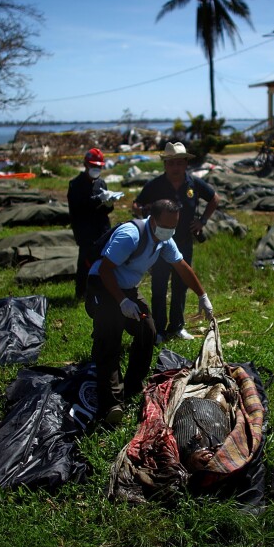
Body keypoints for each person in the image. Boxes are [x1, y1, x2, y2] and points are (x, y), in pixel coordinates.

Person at [85, 198, 215, 425]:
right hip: (104, 286)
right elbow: (105, 270)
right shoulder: (130, 235)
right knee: (110, 338)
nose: (170, 231)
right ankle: (111, 404)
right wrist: (122, 302)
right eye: (166, 226)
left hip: (127, 288)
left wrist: (202, 296)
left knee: (148, 329)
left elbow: (182, 268)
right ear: (153, 221)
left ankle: (134, 385)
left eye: (174, 226)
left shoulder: (165, 240)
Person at [133, 142, 219, 342]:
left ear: (186, 163)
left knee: (181, 285)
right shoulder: (155, 184)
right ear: (165, 164)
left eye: (179, 163)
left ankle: (177, 327)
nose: (175, 167)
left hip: (184, 241)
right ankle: (159, 329)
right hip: (160, 244)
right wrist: (144, 217)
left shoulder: (194, 183)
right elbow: (137, 204)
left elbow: (215, 198)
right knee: (159, 286)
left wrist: (202, 221)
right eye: (171, 163)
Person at [67, 148, 114, 300]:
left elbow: (106, 210)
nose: (96, 169)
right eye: (93, 166)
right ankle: (81, 292)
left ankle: (100, 291)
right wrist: (98, 201)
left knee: (103, 260)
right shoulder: (75, 185)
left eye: (99, 166)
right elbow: (77, 208)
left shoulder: (102, 183)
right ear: (85, 165)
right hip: (85, 230)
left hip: (102, 228)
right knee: (85, 261)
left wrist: (109, 204)